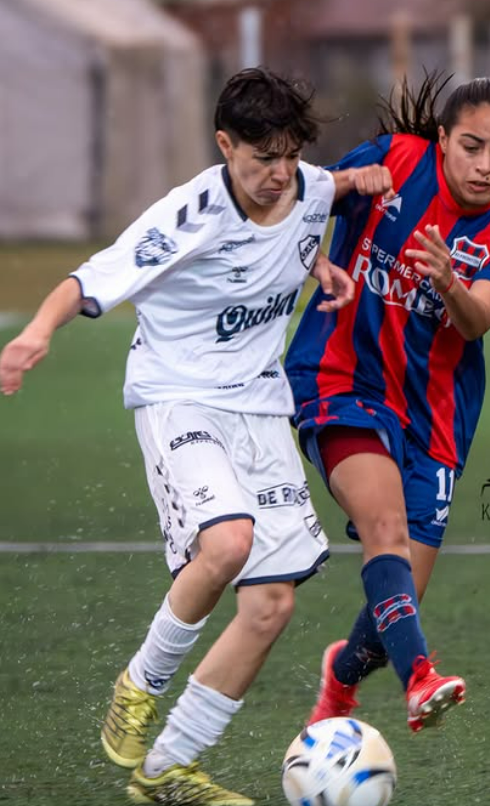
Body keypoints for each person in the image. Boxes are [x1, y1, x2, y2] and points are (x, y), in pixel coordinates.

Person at [0, 67, 393, 806]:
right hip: (178, 397)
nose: (279, 176)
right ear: (223, 145)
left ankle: (168, 770)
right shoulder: (188, 214)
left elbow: (321, 198)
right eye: (260, 160)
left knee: (272, 605)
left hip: (259, 406)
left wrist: (327, 252)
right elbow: (88, 280)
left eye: (288, 156)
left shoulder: (305, 184)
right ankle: (139, 686)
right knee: (227, 544)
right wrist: (35, 334)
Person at [285, 73, 490, 734]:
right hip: (339, 382)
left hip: (434, 416)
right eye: (472, 146)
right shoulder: (394, 160)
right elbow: (299, 207)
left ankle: (341, 677)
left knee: (400, 594)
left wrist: (452, 283)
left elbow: (477, 320)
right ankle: (420, 676)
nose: (486, 166)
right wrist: (337, 198)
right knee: (386, 535)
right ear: (443, 139)